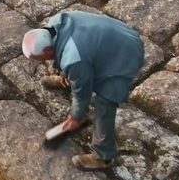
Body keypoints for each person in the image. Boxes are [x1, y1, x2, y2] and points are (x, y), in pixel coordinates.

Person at [22, 10, 145, 171]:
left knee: (105, 103)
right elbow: (67, 52)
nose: (41, 62)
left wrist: (75, 118)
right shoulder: (56, 22)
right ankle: (67, 78)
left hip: (127, 53)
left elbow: (82, 93)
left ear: (46, 52)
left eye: (39, 59)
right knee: (77, 65)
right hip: (119, 33)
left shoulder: (74, 58)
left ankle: (103, 156)